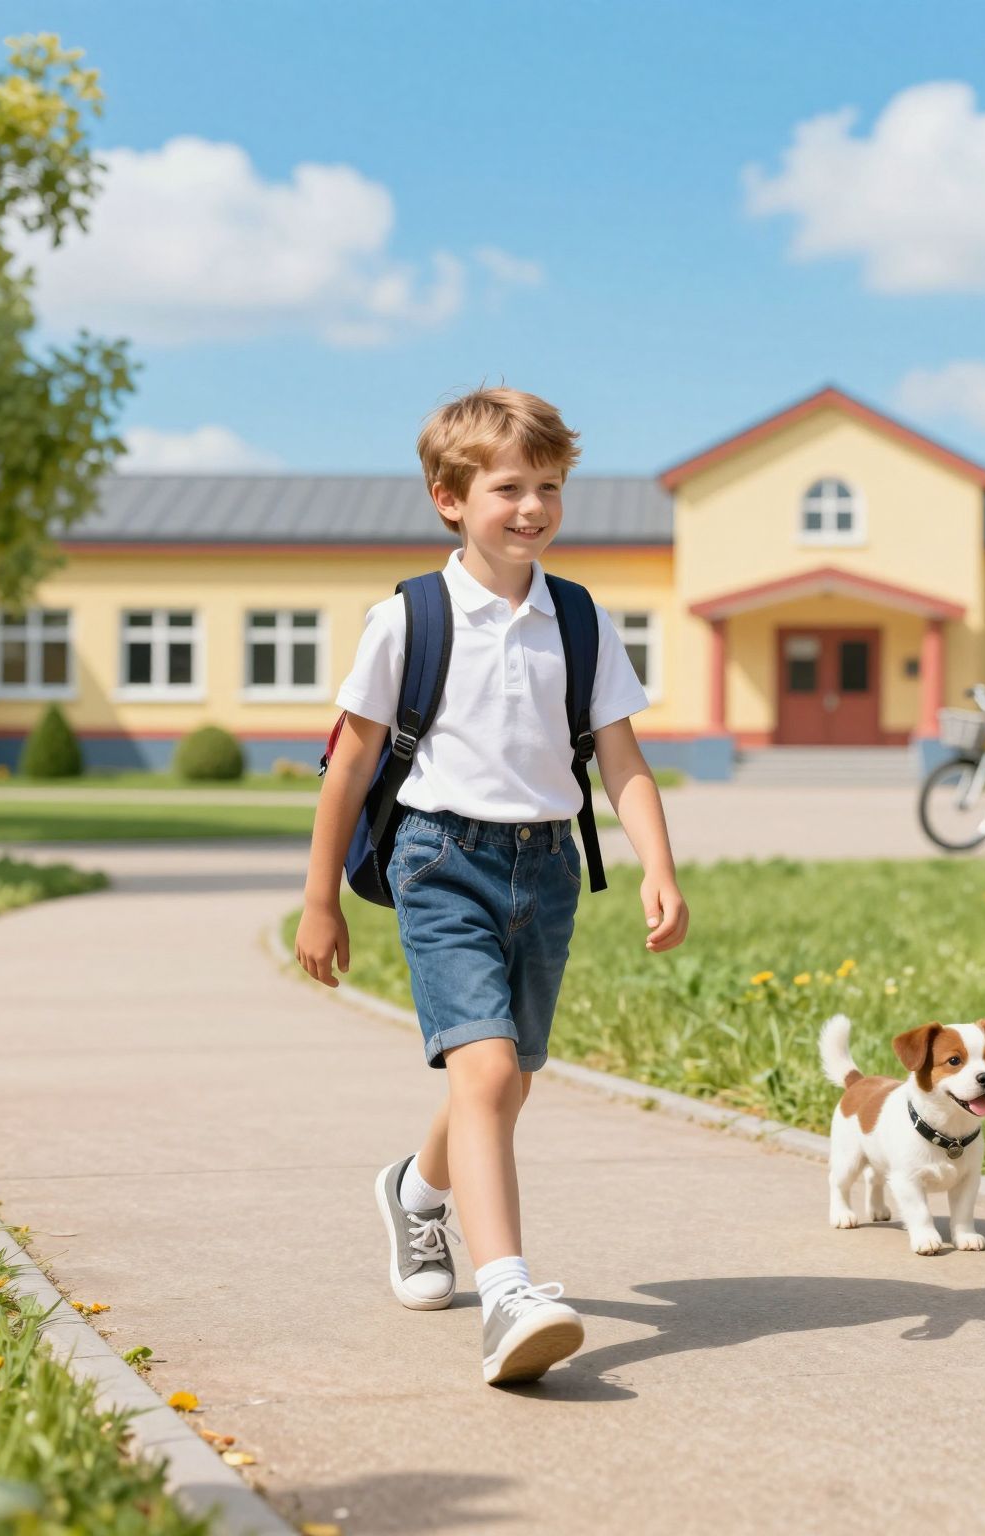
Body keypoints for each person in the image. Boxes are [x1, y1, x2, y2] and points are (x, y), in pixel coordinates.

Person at [296, 386, 689, 1386]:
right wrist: (317, 898)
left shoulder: (581, 620)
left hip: (547, 863)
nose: (531, 507)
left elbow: (620, 754)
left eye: (548, 486)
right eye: (507, 487)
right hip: (438, 859)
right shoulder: (408, 619)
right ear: (448, 498)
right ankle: (507, 1290)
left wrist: (658, 864)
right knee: (480, 1074)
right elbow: (348, 763)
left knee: (508, 1076)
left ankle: (415, 1195)